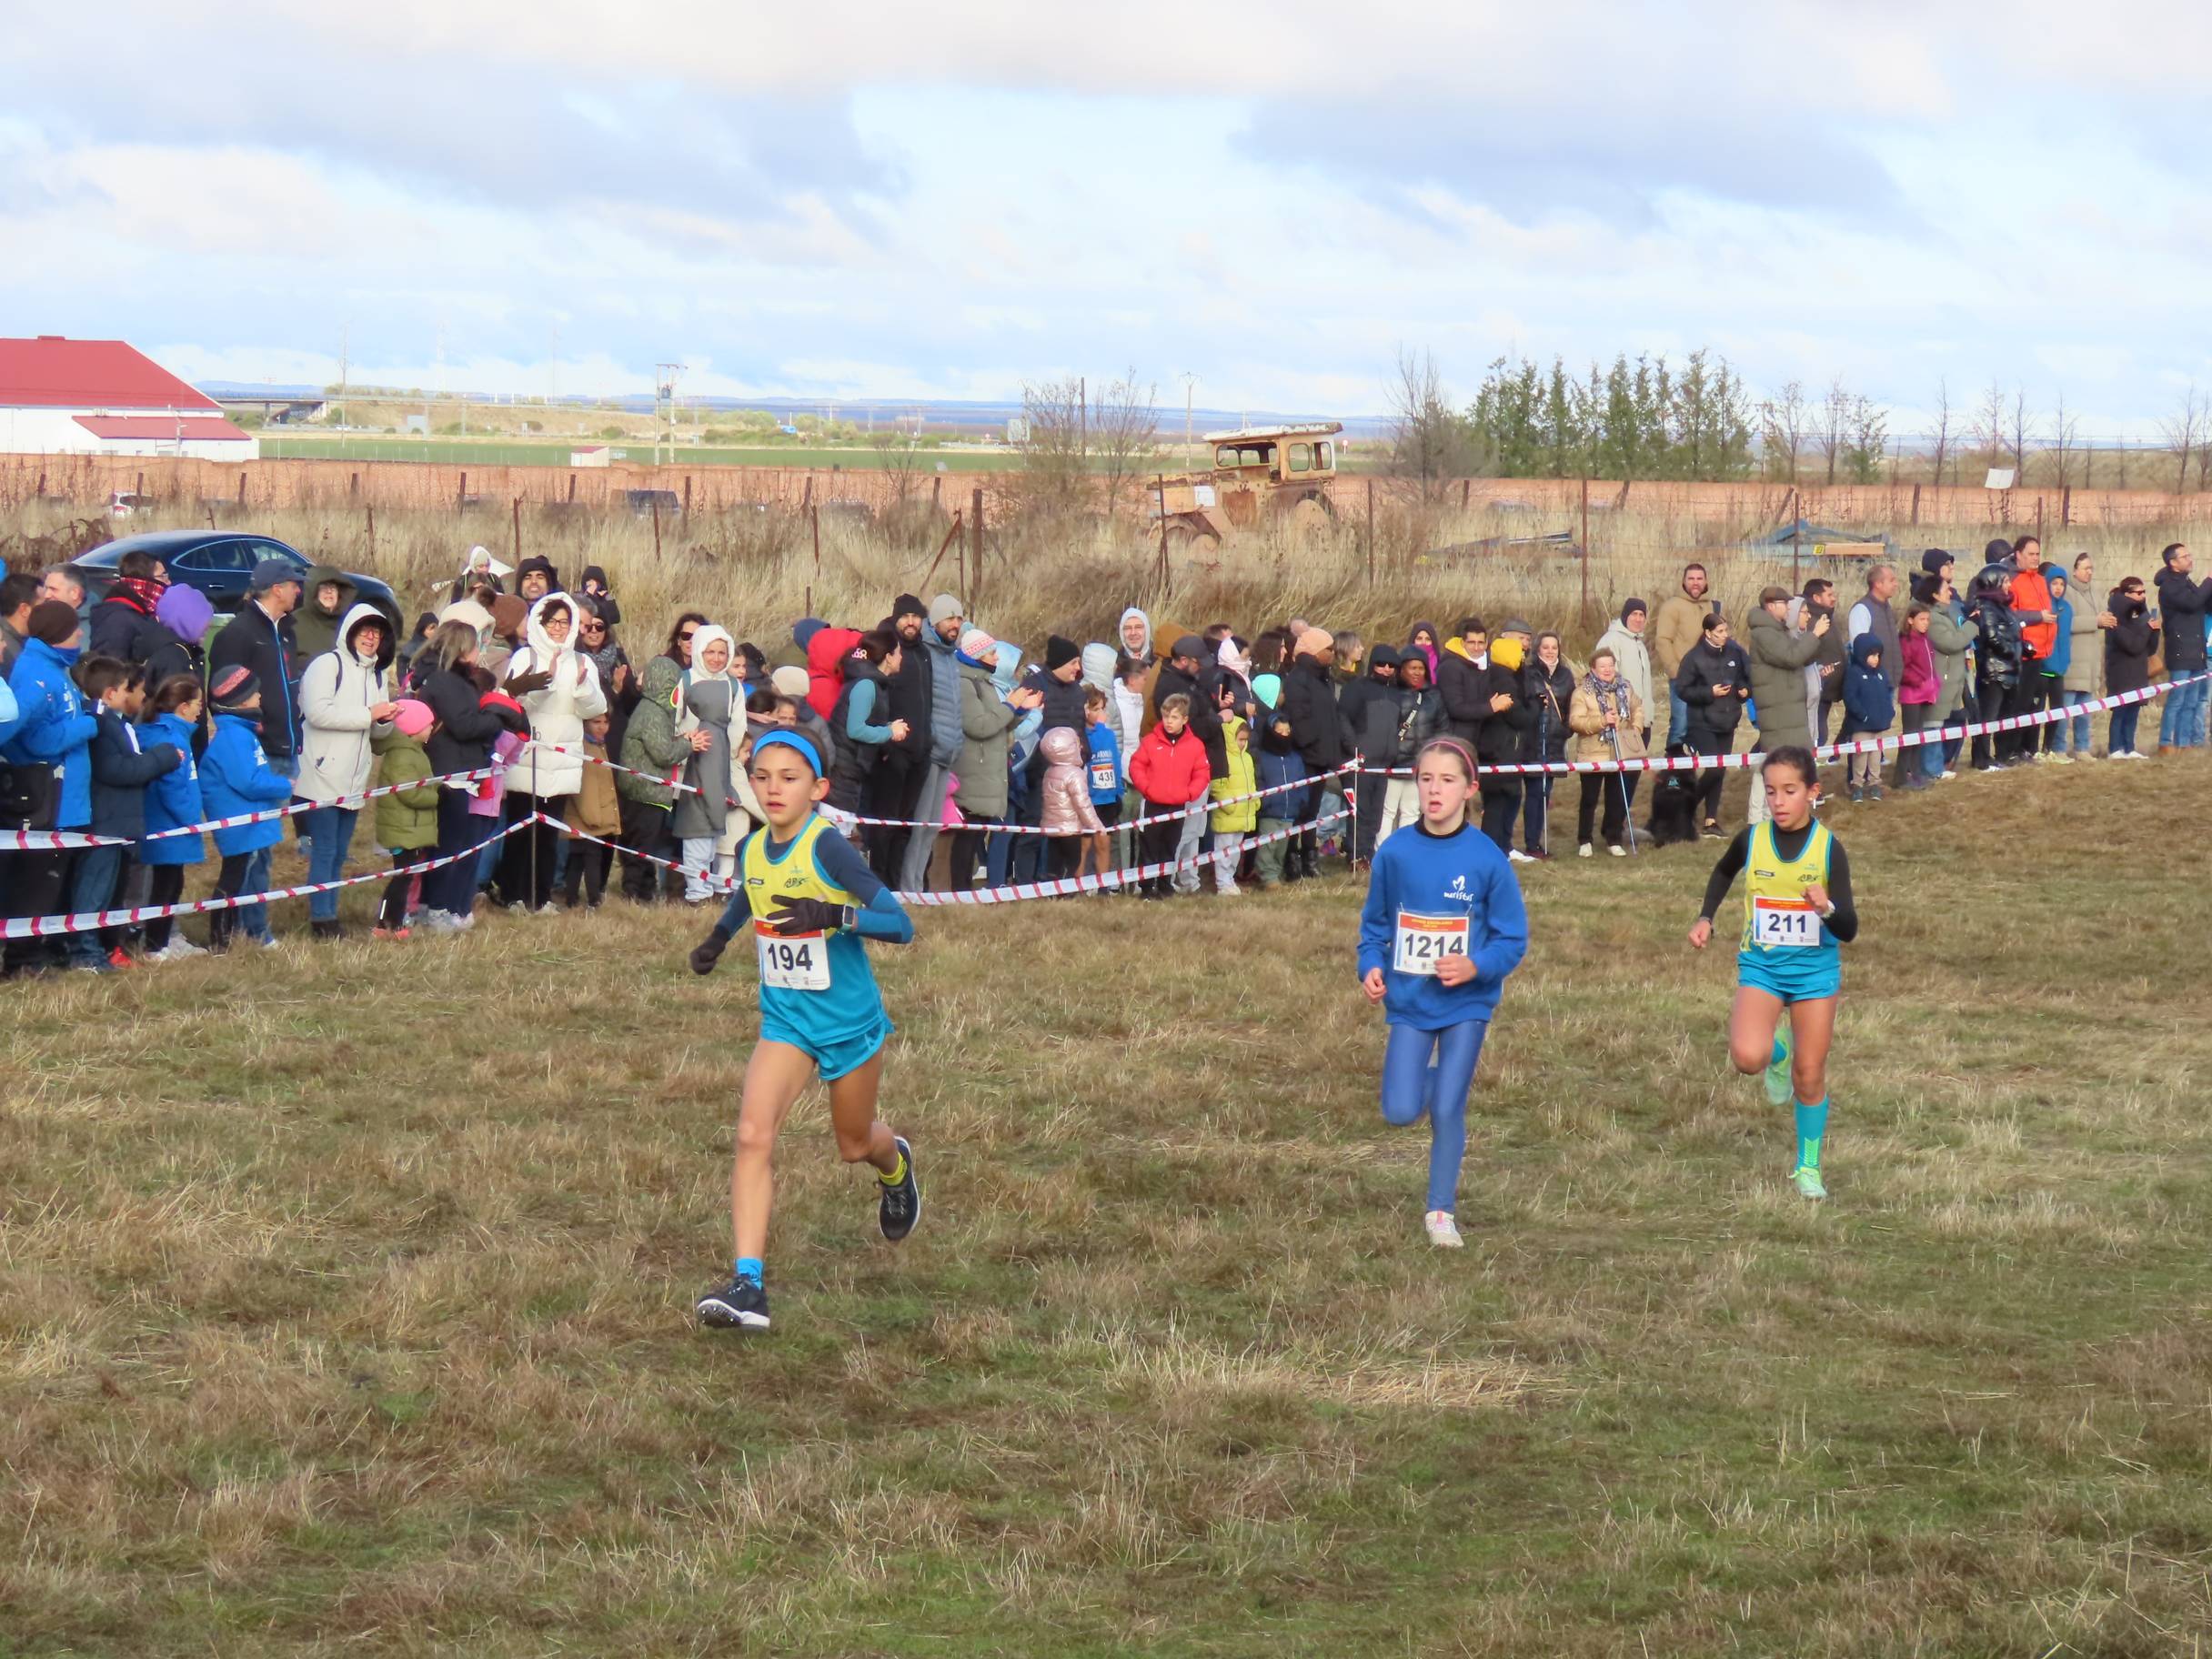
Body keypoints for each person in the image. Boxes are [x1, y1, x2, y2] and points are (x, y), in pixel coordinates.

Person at [685, 729, 920, 1333]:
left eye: (789, 778)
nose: (773, 789)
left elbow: (900, 924)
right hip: (786, 1019)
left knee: (854, 1144)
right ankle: (748, 1286)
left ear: (817, 789)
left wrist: (834, 915)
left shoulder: (830, 849)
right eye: (762, 776)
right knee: (752, 1135)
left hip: (848, 1024)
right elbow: (749, 892)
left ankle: (895, 1166)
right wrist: (719, 936)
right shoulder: (755, 847)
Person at [1357, 736, 1529, 1248]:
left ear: (1469, 789)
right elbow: (1374, 927)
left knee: (1449, 1108)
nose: (1434, 790)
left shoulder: (1487, 858)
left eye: (1447, 780)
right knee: (1401, 1110)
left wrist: (1476, 964)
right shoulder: (1395, 852)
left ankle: (1440, 1213)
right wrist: (1370, 965)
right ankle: (1421, 1079)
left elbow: (1512, 939)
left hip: (1466, 1004)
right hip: (1410, 1003)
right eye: (1426, 779)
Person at [1687, 746, 1858, 1202]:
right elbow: (1724, 871)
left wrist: (1825, 908)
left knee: (1810, 1074)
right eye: (1771, 792)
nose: (1779, 802)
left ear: (1812, 793)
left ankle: (1807, 1166)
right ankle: (1774, 1053)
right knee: (1748, 1058)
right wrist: (1706, 917)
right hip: (1762, 967)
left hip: (1813, 975)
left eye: (1789, 791)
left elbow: (1850, 929)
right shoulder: (1753, 839)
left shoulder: (1828, 849)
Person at [412, 620, 528, 932]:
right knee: (448, 847)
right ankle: (436, 908)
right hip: (450, 776)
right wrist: (495, 718)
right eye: (476, 646)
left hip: (461, 772)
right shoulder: (445, 682)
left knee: (452, 844)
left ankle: (435, 906)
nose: (480, 652)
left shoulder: (452, 682)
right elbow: (464, 725)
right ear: (462, 650)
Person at [2, 600, 97, 978]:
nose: (80, 634)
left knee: (52, 882)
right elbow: (29, 737)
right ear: (60, 633)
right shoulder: (37, 677)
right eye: (75, 628)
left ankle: (44, 949)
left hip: (66, 798)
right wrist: (89, 725)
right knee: (37, 884)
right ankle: (22, 962)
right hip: (49, 799)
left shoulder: (54, 669)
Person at [498, 594, 608, 913]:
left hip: (562, 760)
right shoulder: (524, 656)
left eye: (564, 622)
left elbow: (596, 708)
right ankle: (513, 894)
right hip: (528, 756)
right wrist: (543, 679)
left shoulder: (582, 661)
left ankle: (541, 896)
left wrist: (581, 687)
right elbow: (515, 702)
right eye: (552, 622)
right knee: (520, 829)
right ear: (540, 623)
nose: (558, 628)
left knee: (549, 832)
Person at [296, 605, 400, 940]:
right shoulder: (327, 665)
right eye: (365, 630)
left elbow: (374, 732)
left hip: (354, 780)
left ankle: (330, 912)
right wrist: (370, 714)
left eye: (377, 632)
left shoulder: (378, 675)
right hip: (322, 775)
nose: (371, 638)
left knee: (340, 852)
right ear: (351, 631)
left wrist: (385, 720)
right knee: (324, 849)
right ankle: (321, 919)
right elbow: (317, 713)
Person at [73, 659, 183, 970]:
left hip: (119, 823)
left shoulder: (115, 723)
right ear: (110, 693)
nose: (131, 695)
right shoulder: (100, 725)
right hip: (105, 823)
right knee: (93, 892)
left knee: (111, 893)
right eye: (124, 689)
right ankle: (83, 950)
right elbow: (117, 770)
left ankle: (105, 947)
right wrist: (161, 757)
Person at [199, 667, 295, 953]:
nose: (260, 697)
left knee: (249, 876)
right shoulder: (234, 738)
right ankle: (221, 939)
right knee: (234, 879)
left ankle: (244, 932)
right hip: (239, 823)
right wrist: (283, 785)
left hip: (249, 822)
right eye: (255, 694)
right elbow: (248, 781)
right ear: (241, 701)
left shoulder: (242, 733)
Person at [949, 629, 1032, 891]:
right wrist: (1010, 705)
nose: (997, 657)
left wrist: (1020, 709)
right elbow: (980, 726)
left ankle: (964, 889)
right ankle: (959, 891)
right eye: (992, 651)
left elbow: (999, 724)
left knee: (975, 834)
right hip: (973, 771)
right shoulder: (964, 684)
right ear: (977, 654)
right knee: (967, 837)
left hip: (987, 771)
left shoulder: (985, 683)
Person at [897, 595, 968, 892]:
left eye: (959, 619)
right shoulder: (922, 651)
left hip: (947, 753)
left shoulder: (951, 656)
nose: (955, 625)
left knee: (932, 827)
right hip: (929, 751)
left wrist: (957, 739)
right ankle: (908, 888)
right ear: (935, 621)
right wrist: (934, 736)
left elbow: (954, 705)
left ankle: (918, 888)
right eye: (950, 618)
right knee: (919, 825)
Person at [206, 558, 303, 776]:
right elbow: (221, 696)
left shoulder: (288, 631)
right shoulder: (237, 633)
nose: (298, 590)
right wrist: (250, 733)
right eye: (293, 585)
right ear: (277, 590)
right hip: (257, 751)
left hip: (288, 747)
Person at [139, 674, 207, 960]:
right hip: (169, 826)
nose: (200, 709)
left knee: (173, 883)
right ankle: (155, 945)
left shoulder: (170, 733)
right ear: (182, 707)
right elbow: (173, 788)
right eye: (197, 703)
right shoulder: (170, 737)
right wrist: (191, 820)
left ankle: (164, 939)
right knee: (165, 886)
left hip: (171, 824)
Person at [670, 626, 739, 905]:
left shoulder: (732, 685)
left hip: (720, 759)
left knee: (714, 826)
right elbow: (674, 718)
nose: (716, 658)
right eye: (710, 651)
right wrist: (686, 739)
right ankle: (696, 891)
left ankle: (709, 886)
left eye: (722, 652)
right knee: (696, 823)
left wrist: (730, 756)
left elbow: (738, 723)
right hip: (693, 760)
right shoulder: (685, 680)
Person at [1744, 585, 1826, 818]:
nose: (1788, 608)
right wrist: (1815, 635)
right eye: (1784, 604)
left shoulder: (1776, 631)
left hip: (1786, 711)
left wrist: (1813, 638)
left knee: (1781, 766)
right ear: (1771, 605)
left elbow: (1799, 654)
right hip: (1779, 713)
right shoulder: (1764, 634)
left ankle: (1773, 815)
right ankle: (1759, 817)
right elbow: (1792, 657)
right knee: (1772, 768)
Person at [618, 655, 690, 901]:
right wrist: (689, 744)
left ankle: (645, 892)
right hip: (645, 791)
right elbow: (663, 754)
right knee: (641, 847)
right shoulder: (653, 714)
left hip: (646, 790)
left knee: (645, 847)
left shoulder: (652, 710)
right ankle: (633, 892)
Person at [1671, 612, 1749, 839]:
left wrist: (1744, 692)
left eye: (1726, 630)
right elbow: (1682, 690)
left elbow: (1743, 678)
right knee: (1714, 769)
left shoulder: (1734, 653)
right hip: (1702, 723)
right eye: (1720, 632)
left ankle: (1710, 820)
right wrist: (1709, 693)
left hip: (1728, 720)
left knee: (1720, 771)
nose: (1726, 635)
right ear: (1708, 633)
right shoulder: (1693, 658)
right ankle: (1687, 807)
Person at [1129, 692, 1211, 899]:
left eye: (1174, 717)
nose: (1168, 722)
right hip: (1153, 805)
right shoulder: (1150, 742)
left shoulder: (1195, 745)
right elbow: (1136, 765)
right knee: (1148, 848)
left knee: (1169, 847)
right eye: (1166, 717)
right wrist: (1147, 788)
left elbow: (1202, 773)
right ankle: (1147, 888)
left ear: (1184, 719)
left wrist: (1190, 793)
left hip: (1177, 806)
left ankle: (1165, 885)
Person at [1566, 645, 1647, 856]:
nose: (1607, 669)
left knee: (1616, 797)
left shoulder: (1625, 687)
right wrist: (1602, 721)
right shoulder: (1582, 692)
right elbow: (1576, 721)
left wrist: (1635, 729)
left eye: (1610, 665)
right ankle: (1585, 840)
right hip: (1592, 752)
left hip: (1620, 751)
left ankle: (1613, 839)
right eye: (1602, 666)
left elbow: (1637, 708)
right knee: (1589, 799)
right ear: (1593, 668)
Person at [370, 698, 439, 939]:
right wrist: (437, 795)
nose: (432, 728)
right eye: (428, 724)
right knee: (401, 879)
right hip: (403, 829)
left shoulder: (414, 752)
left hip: (410, 827)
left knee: (404, 878)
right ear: (413, 729)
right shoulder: (403, 755)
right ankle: (390, 923)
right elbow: (409, 792)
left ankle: (389, 923)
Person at [827, 627, 909, 817]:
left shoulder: (873, 683)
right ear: (888, 657)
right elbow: (855, 730)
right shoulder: (866, 685)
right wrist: (889, 733)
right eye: (898, 653)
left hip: (851, 772)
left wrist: (889, 727)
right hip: (842, 773)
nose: (901, 658)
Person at [1376, 650, 1444, 852]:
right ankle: (1383, 852)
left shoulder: (1434, 696)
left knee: (1411, 812)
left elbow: (1442, 730)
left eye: (1421, 668)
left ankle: (1405, 853)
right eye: (1412, 668)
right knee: (1386, 812)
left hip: (1419, 766)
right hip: (1392, 764)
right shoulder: (1389, 694)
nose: (1417, 672)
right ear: (1402, 669)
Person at [1340, 644, 1402, 865]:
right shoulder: (1357, 688)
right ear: (1372, 664)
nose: (1386, 668)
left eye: (1391, 665)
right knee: (1360, 812)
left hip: (1383, 763)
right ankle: (1355, 855)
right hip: (1361, 762)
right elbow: (1343, 718)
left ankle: (1367, 853)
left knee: (1375, 814)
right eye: (1381, 664)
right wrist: (1355, 747)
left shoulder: (1397, 693)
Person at [1476, 620, 1533, 857]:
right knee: (1496, 804)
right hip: (1498, 749)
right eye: (1519, 644)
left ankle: (1503, 846)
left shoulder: (1508, 675)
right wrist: (1536, 707)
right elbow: (1518, 716)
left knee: (1506, 799)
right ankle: (1492, 850)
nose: (1524, 650)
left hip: (1504, 748)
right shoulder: (1503, 679)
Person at [1518, 630, 1574, 860]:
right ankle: (1531, 843)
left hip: (1554, 742)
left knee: (1544, 793)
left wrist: (1565, 729)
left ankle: (1537, 842)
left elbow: (1572, 706)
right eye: (1545, 647)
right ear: (1537, 649)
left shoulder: (1566, 676)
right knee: (1534, 793)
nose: (1550, 651)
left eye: (1554, 647)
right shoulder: (1527, 673)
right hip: (1532, 742)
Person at [561, 711, 622, 909]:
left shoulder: (599, 746)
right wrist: (594, 818)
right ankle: (593, 899)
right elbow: (585, 790)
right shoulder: (585, 748)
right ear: (586, 723)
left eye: (606, 722)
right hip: (589, 819)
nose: (602, 726)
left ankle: (571, 898)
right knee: (590, 860)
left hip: (587, 818)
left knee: (577, 860)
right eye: (596, 722)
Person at [2154, 543, 2211, 750]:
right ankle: (2166, 743)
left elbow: (2203, 604)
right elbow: (2191, 603)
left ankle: (2184, 742)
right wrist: (2209, 581)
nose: (2190, 559)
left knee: (2192, 700)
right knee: (2177, 699)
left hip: (2196, 648)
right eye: (2185, 556)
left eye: (2190, 554)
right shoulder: (2169, 586)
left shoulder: (2186, 582)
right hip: (2180, 649)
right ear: (2173, 563)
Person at [1966, 562, 2022, 770]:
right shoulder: (1986, 608)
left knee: (2002, 717)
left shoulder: (2004, 607)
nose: (2009, 585)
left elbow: (2014, 633)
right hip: (1994, 672)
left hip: (2009, 669)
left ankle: (2000, 755)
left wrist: (2023, 647)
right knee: (1987, 718)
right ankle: (1981, 758)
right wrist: (2011, 652)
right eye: (2005, 581)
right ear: (1995, 582)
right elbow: (1992, 637)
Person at [1916, 569, 1970, 781]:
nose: (1951, 593)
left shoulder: (1946, 614)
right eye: (1946, 590)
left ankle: (1939, 765)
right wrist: (1971, 626)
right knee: (1933, 723)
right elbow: (1952, 643)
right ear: (1935, 595)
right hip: (1937, 681)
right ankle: (1932, 769)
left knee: (1943, 723)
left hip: (1950, 680)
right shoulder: (1934, 619)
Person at [1036, 725, 1108, 883]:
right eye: (1076, 743)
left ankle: (1052, 888)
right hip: (1070, 828)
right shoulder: (1075, 774)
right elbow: (1083, 804)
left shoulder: (1050, 771)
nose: (1081, 746)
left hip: (1051, 827)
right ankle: (1066, 890)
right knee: (1073, 861)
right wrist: (1096, 825)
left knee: (1054, 862)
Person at [1654, 564, 1716, 743]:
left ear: (1706, 582)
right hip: (1683, 678)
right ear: (1683, 582)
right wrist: (1675, 670)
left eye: (1699, 579)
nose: (1695, 583)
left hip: (1707, 678)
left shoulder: (1711, 606)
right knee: (1680, 726)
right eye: (1691, 579)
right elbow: (1663, 640)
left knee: (1704, 726)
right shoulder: (1672, 606)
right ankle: (1674, 769)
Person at [2104, 578, 2158, 759]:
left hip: (2138, 670)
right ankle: (2115, 748)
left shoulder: (2141, 615)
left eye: (2144, 592)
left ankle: (2129, 747)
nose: (2142, 596)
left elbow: (2150, 648)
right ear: (2127, 594)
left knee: (2133, 711)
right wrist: (2147, 630)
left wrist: (2155, 631)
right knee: (2120, 711)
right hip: (2120, 671)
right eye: (2138, 593)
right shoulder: (2115, 617)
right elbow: (2132, 645)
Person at [1836, 633, 1894, 804]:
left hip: (1878, 726)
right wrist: (1863, 715)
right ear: (1862, 654)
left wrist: (1889, 712)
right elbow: (1850, 697)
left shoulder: (1881, 673)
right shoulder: (1854, 673)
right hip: (1861, 726)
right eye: (1872, 655)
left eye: (1878, 655)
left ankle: (1875, 783)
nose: (1876, 659)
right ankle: (1857, 785)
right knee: (1860, 757)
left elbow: (1886, 694)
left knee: (1875, 757)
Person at [1208, 710, 1259, 894]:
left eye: (1245, 740)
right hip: (1228, 815)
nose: (1242, 744)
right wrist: (1228, 804)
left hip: (1243, 814)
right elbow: (1216, 786)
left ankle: (1230, 879)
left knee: (1236, 851)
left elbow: (1251, 782)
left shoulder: (1247, 758)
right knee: (1224, 851)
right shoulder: (1222, 757)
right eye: (1239, 739)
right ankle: (1222, 883)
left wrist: (1255, 801)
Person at [88, 548, 169, 663]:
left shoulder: (141, 610)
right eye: (163, 576)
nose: (168, 582)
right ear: (145, 580)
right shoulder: (118, 618)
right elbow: (109, 669)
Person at [1892, 602, 1938, 791]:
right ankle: (1901, 777)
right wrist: (1919, 681)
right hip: (1911, 694)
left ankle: (1916, 772)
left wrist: (1933, 683)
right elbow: (1903, 669)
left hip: (1925, 694)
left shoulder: (1926, 640)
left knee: (1919, 735)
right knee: (1910, 736)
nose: (1926, 623)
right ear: (1910, 620)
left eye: (1928, 619)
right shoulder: (1906, 642)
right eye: (1922, 619)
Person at [2059, 551, 2101, 757]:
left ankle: (2082, 748)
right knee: (2064, 712)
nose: (2090, 572)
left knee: (2084, 711)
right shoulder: (2065, 593)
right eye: (2085, 568)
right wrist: (2095, 621)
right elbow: (2065, 622)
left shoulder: (2093, 592)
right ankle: (2057, 748)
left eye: (2091, 568)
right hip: (2073, 661)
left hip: (2090, 662)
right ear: (2073, 571)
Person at [1594, 600, 1652, 742]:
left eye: (1641, 615)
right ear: (1625, 616)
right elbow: (1605, 681)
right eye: (1634, 614)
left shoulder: (1640, 644)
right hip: (1622, 720)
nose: (1638, 619)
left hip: (1641, 718)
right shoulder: (1611, 640)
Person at [2036, 567, 2076, 762]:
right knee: (2036, 710)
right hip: (2043, 668)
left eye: (2062, 584)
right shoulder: (2042, 606)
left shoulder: (2066, 608)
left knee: (2057, 710)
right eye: (2054, 583)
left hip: (2059, 668)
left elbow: (2065, 638)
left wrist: (2065, 660)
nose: (2058, 588)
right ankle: (2033, 748)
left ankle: (2048, 748)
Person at [1081, 687, 1122, 875]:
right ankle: (1078, 886)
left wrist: (1118, 791)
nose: (1101, 714)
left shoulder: (1108, 734)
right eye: (1096, 709)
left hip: (1107, 797)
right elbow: (1092, 749)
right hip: (1089, 797)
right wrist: (1100, 728)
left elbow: (1115, 762)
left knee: (1103, 843)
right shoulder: (1081, 734)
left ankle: (1103, 886)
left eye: (1102, 709)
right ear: (1085, 710)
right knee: (1084, 844)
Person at [292, 565, 360, 662]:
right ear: (313, 591)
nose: (329, 591)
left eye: (333, 588)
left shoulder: (351, 621)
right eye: (323, 587)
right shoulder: (295, 622)